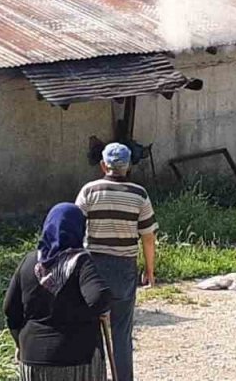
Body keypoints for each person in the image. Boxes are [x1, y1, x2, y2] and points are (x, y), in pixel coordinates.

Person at [4, 203, 113, 381]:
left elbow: (10, 309)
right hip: (77, 358)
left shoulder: (29, 262)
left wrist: (20, 343)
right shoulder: (81, 261)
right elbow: (99, 298)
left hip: (33, 357)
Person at [75, 143, 156, 381]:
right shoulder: (139, 194)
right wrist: (149, 270)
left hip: (92, 268)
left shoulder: (89, 191)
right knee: (121, 331)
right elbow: (148, 237)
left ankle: (95, 376)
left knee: (91, 329)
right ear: (128, 166)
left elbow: (75, 226)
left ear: (103, 165)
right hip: (124, 268)